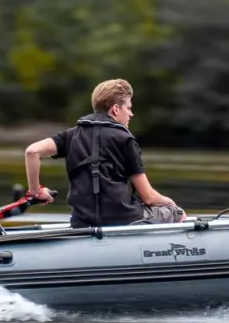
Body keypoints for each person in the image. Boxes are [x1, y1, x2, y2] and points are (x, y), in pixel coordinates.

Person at [24, 79, 185, 228]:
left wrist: (36, 192)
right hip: (124, 219)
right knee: (176, 212)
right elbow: (148, 197)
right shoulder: (125, 139)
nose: (131, 114)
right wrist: (171, 204)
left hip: (82, 221)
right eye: (128, 108)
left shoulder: (71, 135)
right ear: (115, 109)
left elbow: (32, 151)